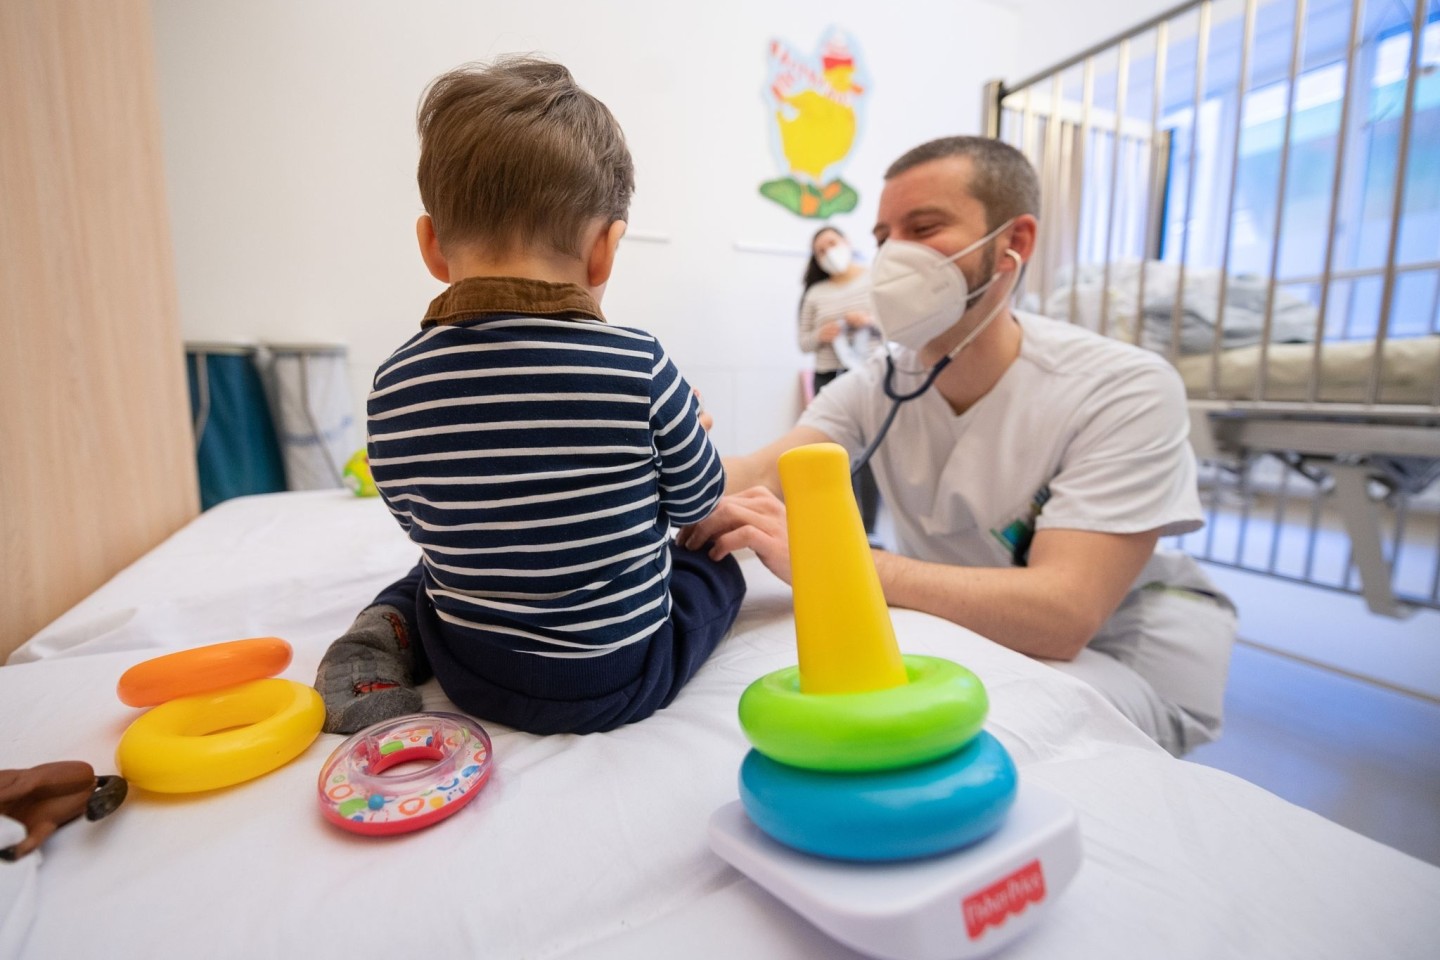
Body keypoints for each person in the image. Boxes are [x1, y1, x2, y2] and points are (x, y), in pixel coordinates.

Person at [681, 136, 1236, 757]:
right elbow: (760, 471)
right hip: (967, 624)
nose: (894, 256)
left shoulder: (1123, 388)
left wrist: (831, 559)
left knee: (947, 735)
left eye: (925, 227)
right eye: (886, 235)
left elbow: (1063, 615)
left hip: (1120, 650)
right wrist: (660, 443)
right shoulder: (878, 383)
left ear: (1013, 244)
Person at [315, 57, 745, 736]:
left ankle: (389, 628)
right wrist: (684, 427)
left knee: (436, 571)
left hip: (473, 672)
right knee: (715, 570)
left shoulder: (394, 383)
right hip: (620, 676)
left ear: (431, 245)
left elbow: (420, 520)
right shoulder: (640, 362)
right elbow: (698, 502)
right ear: (605, 251)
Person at [796, 225, 881, 531]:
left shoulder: (874, 279)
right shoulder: (815, 294)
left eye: (831, 243)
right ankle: (842, 523)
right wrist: (821, 334)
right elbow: (803, 342)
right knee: (835, 454)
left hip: (869, 377)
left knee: (870, 454)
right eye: (820, 250)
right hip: (828, 377)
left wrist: (869, 322)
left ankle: (869, 529)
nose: (828, 252)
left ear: (846, 241)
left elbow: (895, 327)